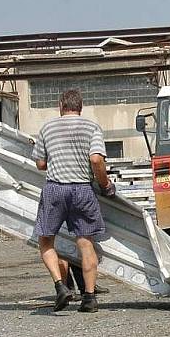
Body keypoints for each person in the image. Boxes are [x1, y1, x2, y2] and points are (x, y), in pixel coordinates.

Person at [32, 89, 116, 313]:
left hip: (55, 190)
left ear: (61, 105)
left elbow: (40, 164)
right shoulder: (92, 127)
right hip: (82, 190)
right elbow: (96, 159)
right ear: (81, 106)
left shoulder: (47, 128)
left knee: (46, 241)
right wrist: (105, 185)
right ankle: (89, 298)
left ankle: (61, 286)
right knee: (85, 242)